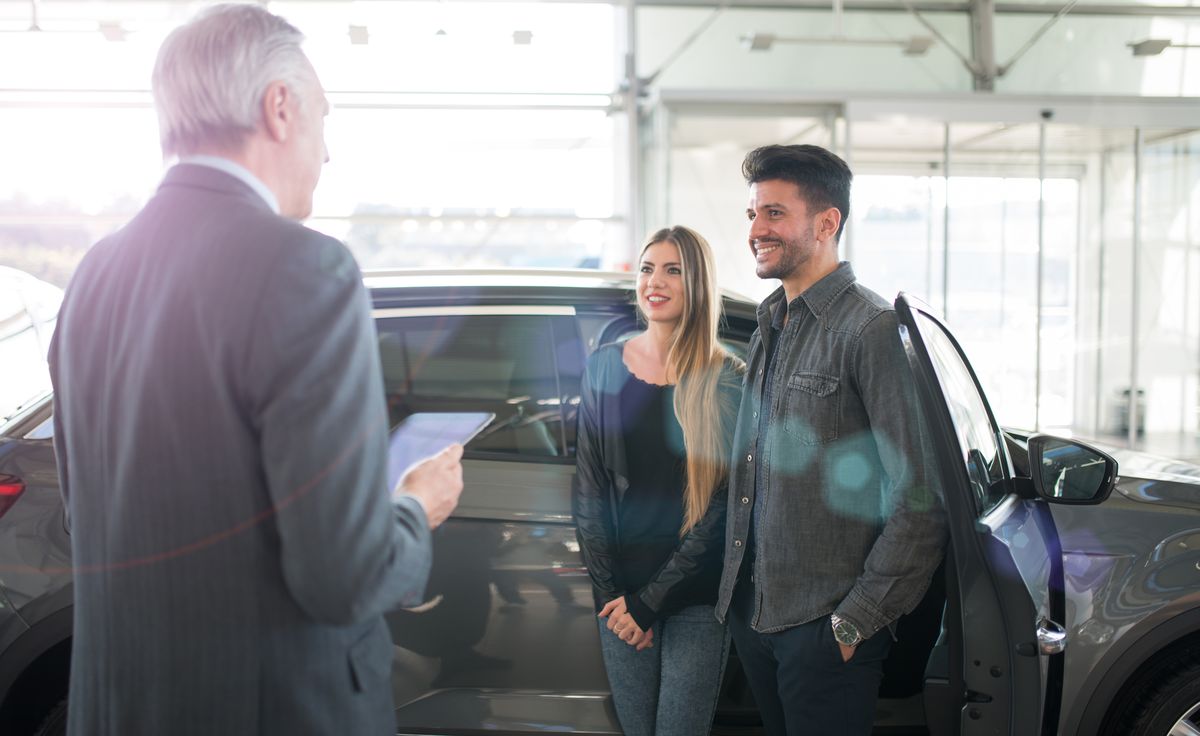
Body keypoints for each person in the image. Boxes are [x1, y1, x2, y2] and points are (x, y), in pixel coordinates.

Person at [47, 5, 463, 735]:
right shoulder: (304, 268)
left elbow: (97, 514)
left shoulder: (95, 273)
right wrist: (414, 508)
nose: (327, 154)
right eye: (323, 119)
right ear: (279, 108)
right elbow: (346, 577)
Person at [714, 144, 948, 735]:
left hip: (824, 625)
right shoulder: (772, 321)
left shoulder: (868, 329)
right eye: (752, 215)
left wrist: (855, 622)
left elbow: (921, 496)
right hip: (759, 614)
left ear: (827, 222)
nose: (756, 230)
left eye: (773, 213)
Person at [572, 226, 745, 736]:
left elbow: (723, 510)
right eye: (648, 268)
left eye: (673, 270)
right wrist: (616, 599)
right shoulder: (604, 368)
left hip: (695, 597)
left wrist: (650, 603)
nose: (656, 281)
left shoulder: (727, 377)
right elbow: (590, 491)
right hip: (620, 597)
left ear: (698, 284)